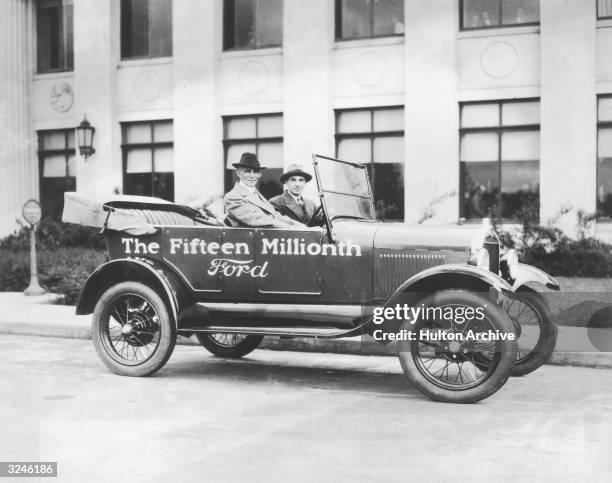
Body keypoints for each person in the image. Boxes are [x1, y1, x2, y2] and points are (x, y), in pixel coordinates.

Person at [224, 153, 304, 228]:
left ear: (260, 174)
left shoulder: (257, 194)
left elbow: (276, 215)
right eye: (247, 171)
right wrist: (290, 228)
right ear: (238, 173)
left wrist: (302, 227)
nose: (252, 176)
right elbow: (256, 219)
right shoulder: (232, 197)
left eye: (256, 172)